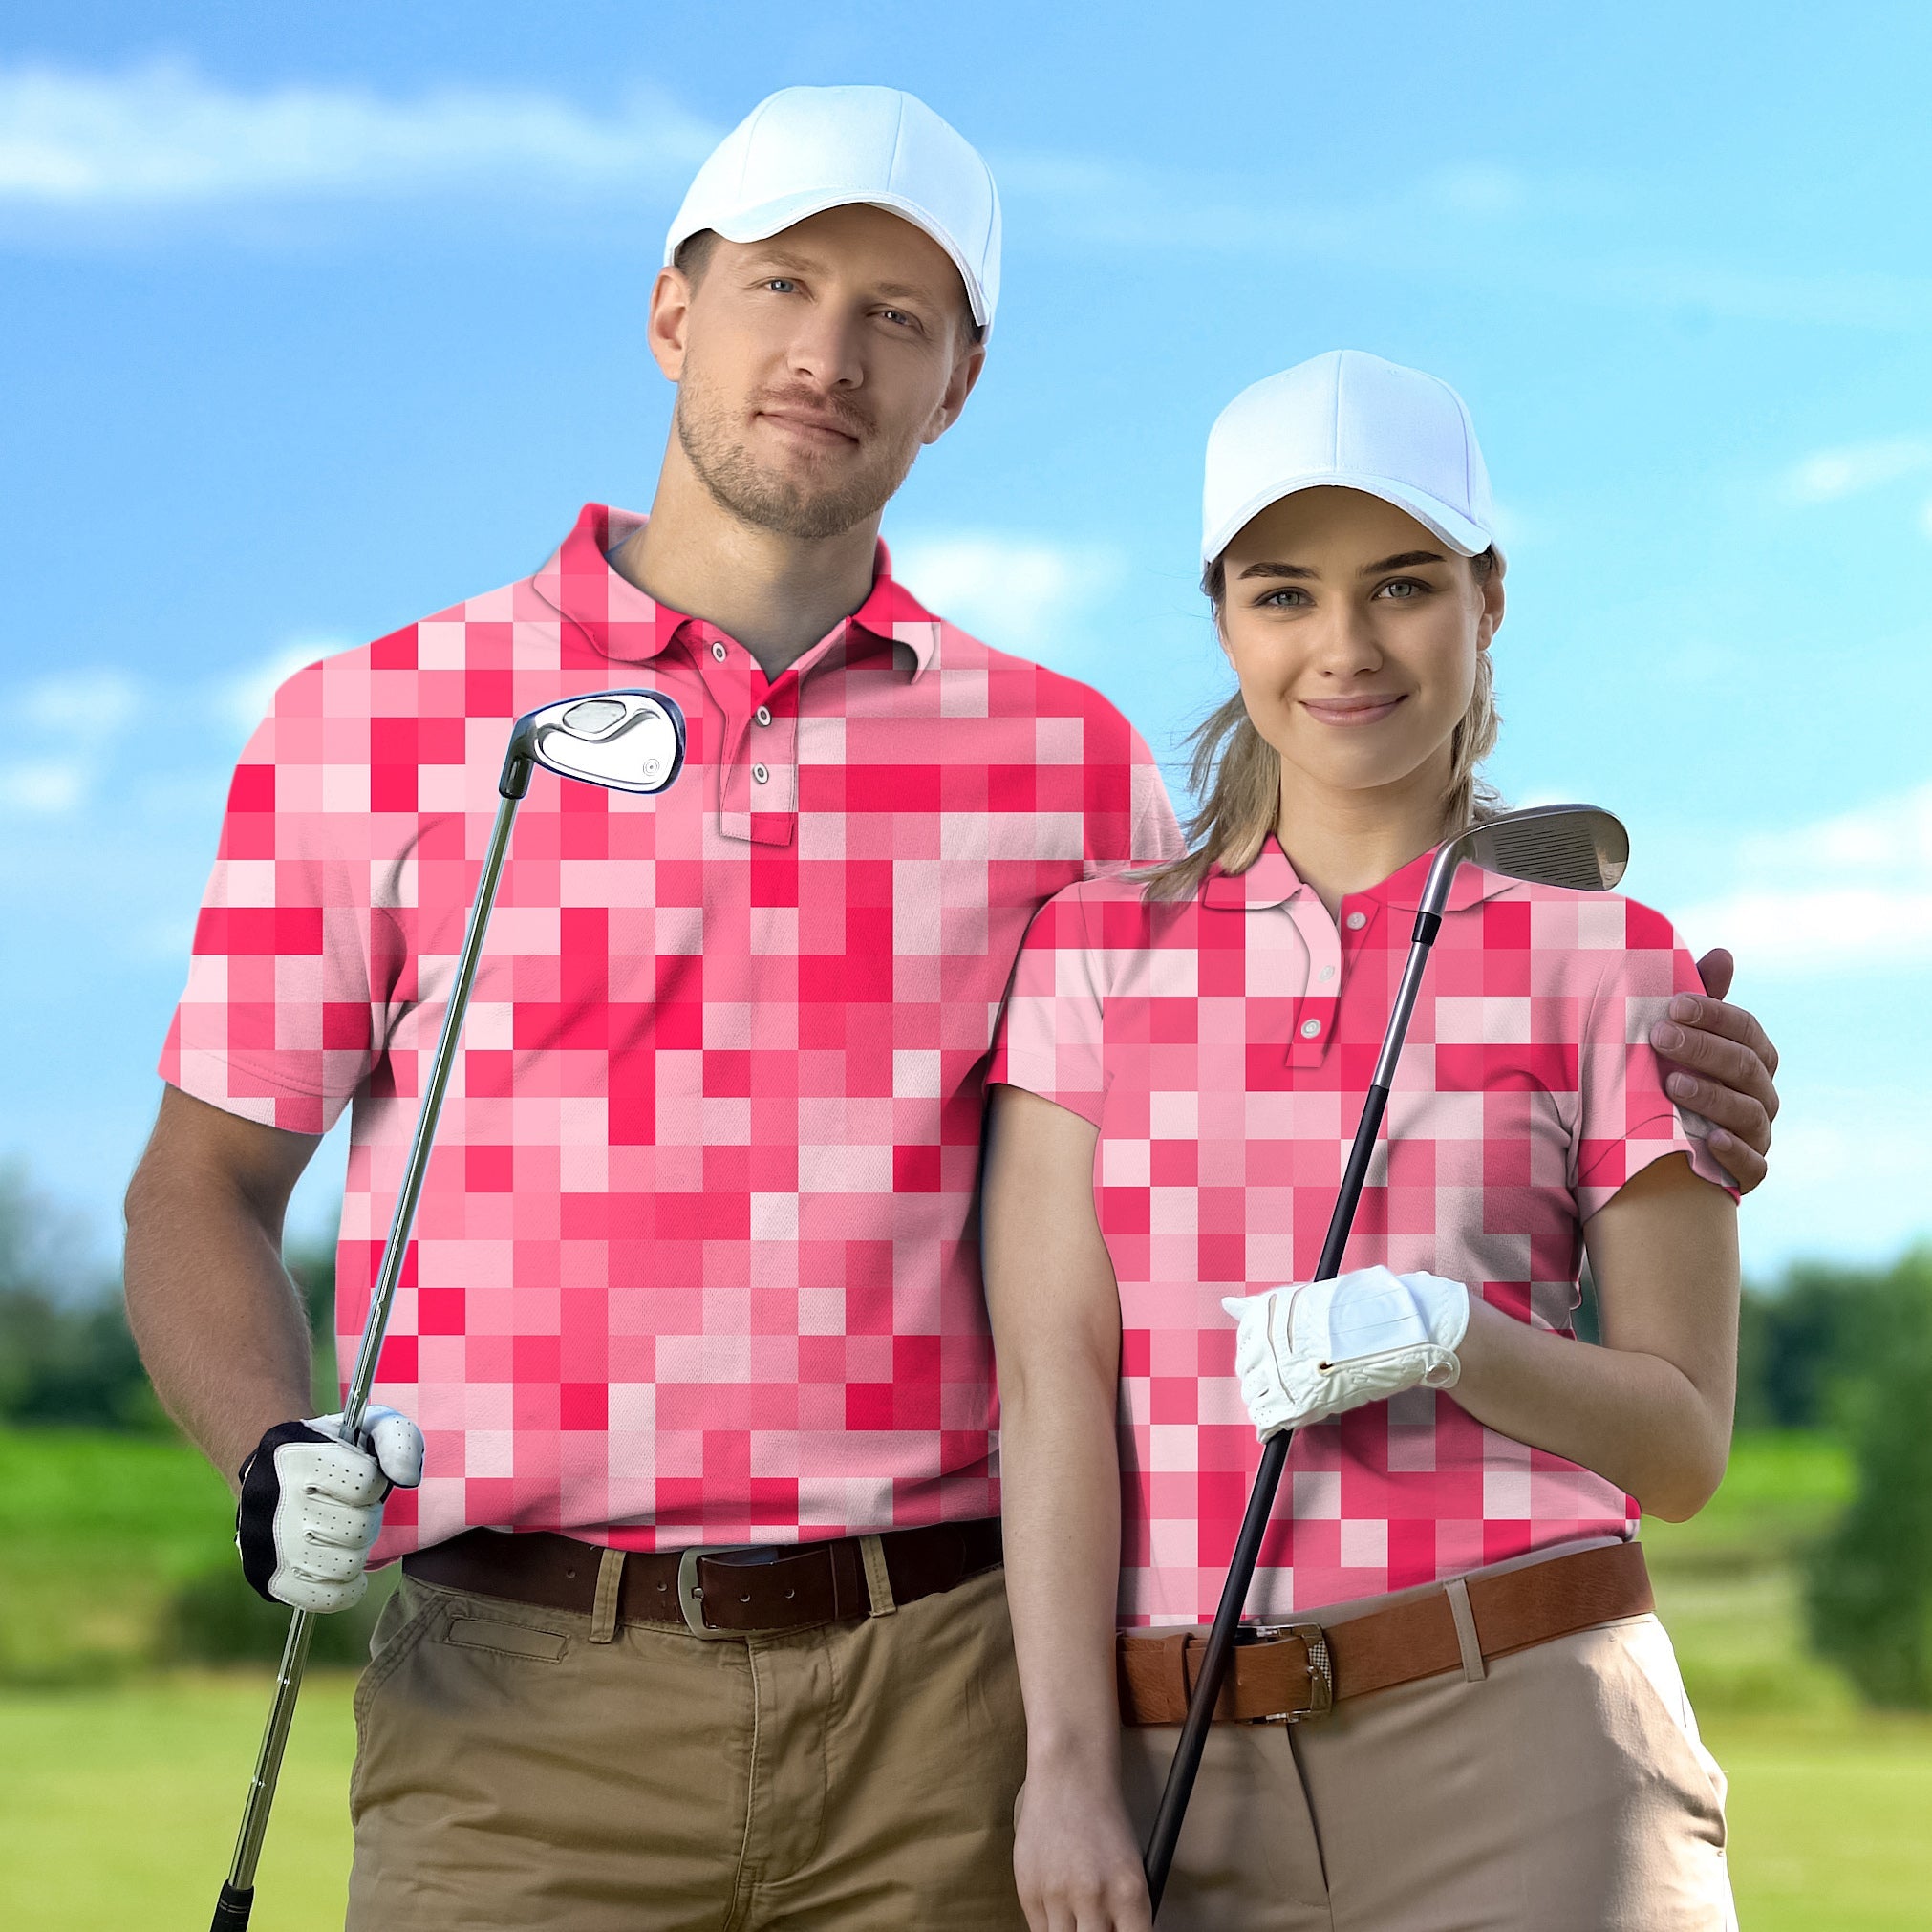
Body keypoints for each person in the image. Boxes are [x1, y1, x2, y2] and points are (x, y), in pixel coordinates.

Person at [119, 84, 1778, 1929]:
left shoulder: (1062, 763)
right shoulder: (366, 728)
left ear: (959, 380)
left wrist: (1629, 1024)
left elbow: (1278, 970)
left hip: (946, 1694)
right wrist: (270, 1451)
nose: (826, 355)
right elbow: (198, 1188)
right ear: (673, 310)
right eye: (780, 287)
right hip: (515, 1702)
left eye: (894, 316)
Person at [985, 351, 1748, 1930]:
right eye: (1283, 594)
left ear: (1485, 600)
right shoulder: (1089, 955)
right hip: (1179, 1769)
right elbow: (1052, 1382)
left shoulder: (1607, 954)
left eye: (1400, 585)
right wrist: (1062, 1761)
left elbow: (1677, 1448)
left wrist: (1446, 1335)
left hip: (1530, 1733)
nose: (1343, 647)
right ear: (1220, 617)